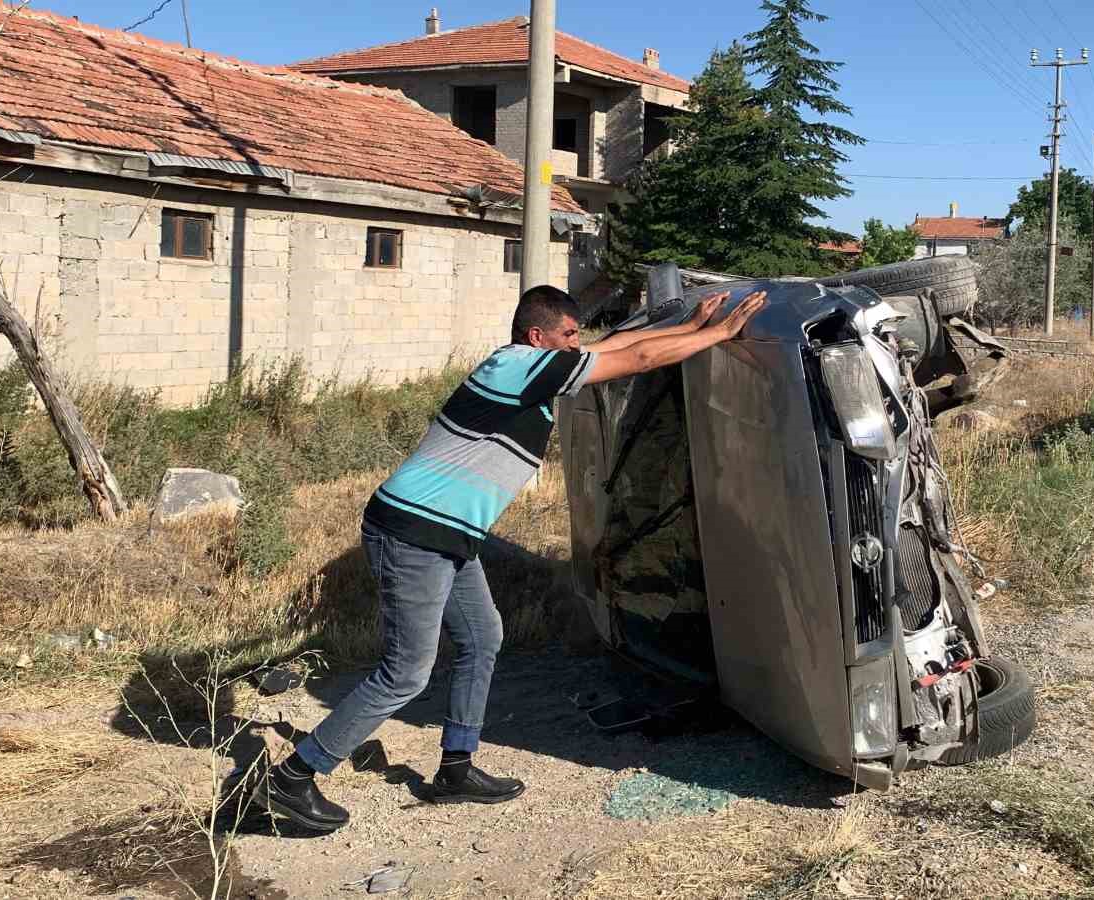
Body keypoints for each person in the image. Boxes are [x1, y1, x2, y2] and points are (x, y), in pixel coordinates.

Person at [259, 284, 768, 832]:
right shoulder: (522, 367)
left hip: (447, 534)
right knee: (406, 673)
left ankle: (456, 767)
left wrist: (692, 327)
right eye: (569, 335)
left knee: (483, 637)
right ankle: (292, 779)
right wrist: (717, 336)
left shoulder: (536, 367)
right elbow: (636, 359)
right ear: (537, 336)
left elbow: (619, 346)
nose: (578, 345)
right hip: (413, 530)